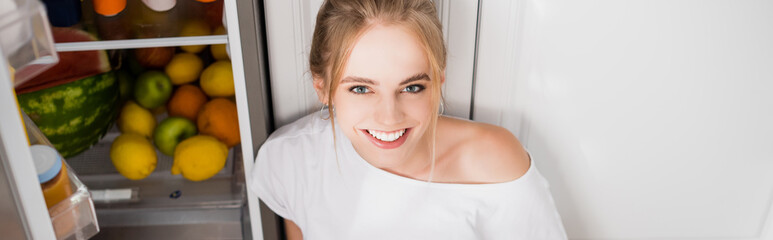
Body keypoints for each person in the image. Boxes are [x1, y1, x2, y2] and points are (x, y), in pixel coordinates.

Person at [250, 0, 567, 239]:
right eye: (361, 89)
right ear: (323, 88)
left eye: (412, 87)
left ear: (439, 81)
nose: (389, 118)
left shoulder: (493, 164)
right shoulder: (289, 160)